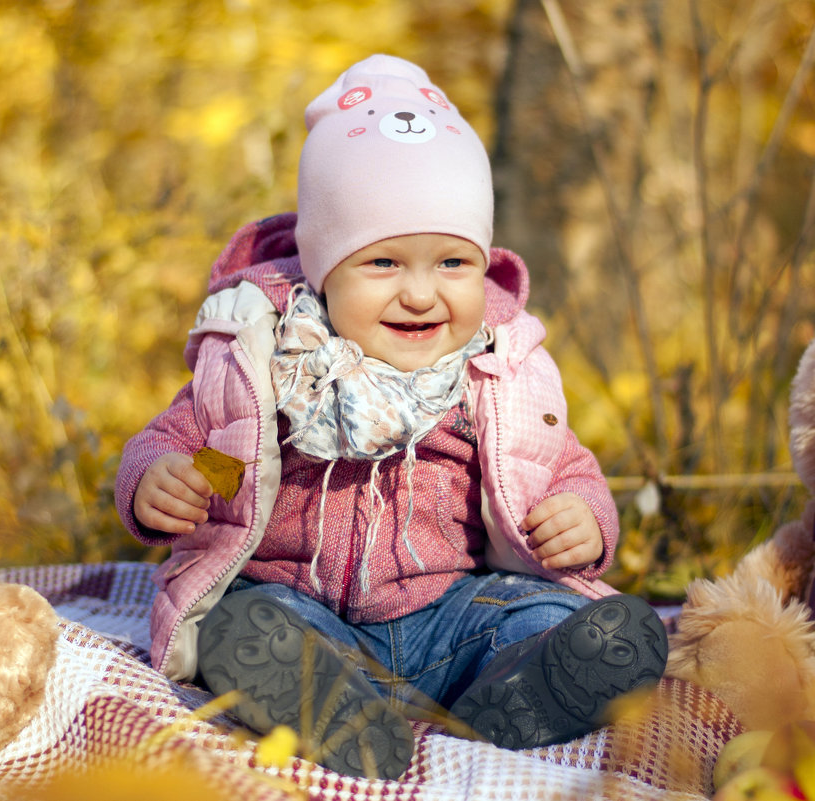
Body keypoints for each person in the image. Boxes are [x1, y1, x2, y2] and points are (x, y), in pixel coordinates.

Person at [115, 54, 667, 782]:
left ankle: (514, 694)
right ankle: (333, 705)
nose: (420, 293)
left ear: (483, 264)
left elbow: (559, 463)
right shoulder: (273, 359)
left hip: (450, 612)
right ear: (321, 268)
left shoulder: (493, 366)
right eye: (382, 264)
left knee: (548, 618)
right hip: (306, 612)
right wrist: (167, 481)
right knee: (241, 624)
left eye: (451, 264)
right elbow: (210, 449)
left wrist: (583, 516)